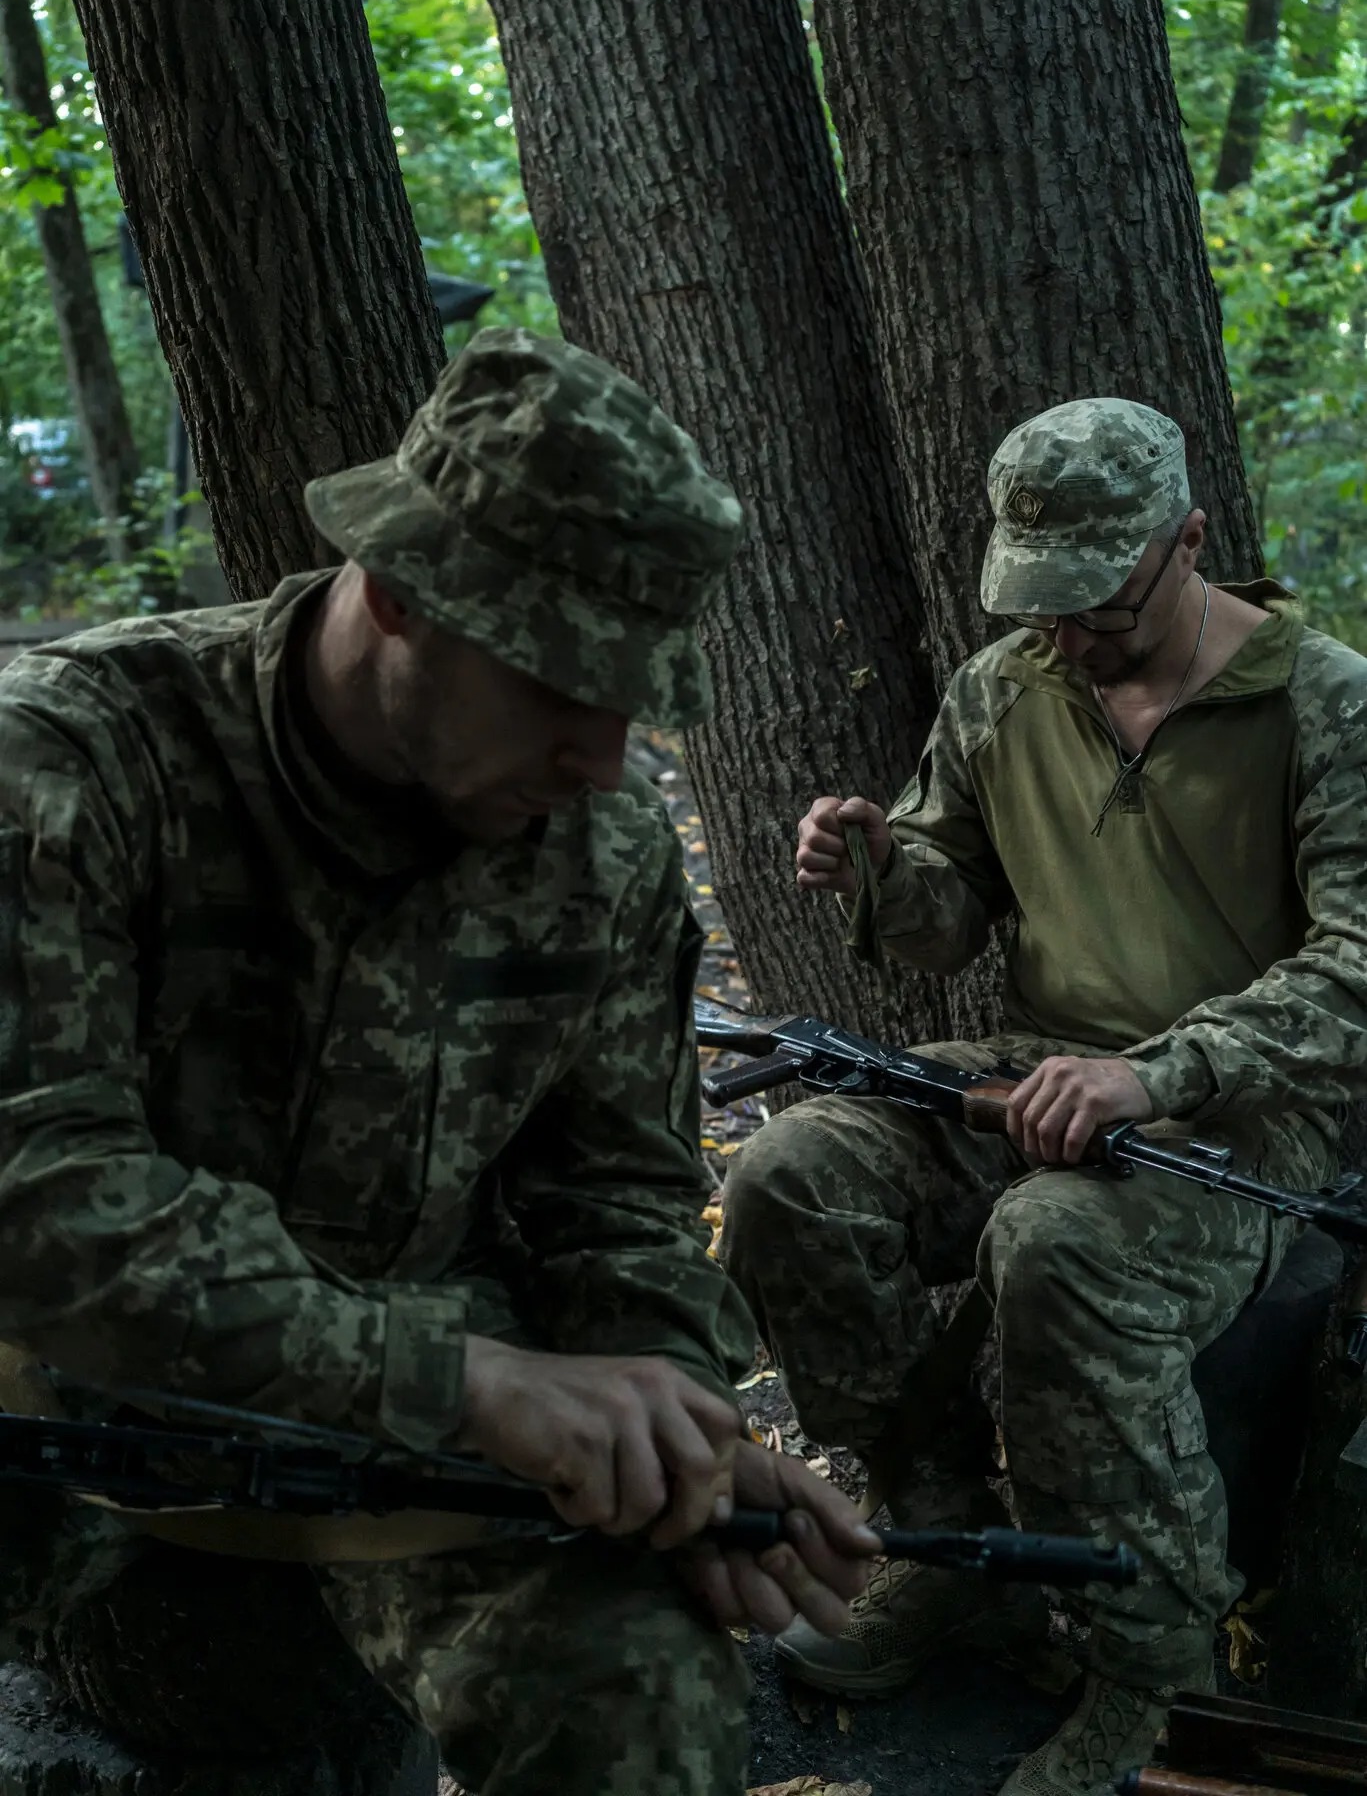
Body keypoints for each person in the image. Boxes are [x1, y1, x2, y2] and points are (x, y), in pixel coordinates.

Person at [0, 329, 874, 1796]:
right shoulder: (75, 764)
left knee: (647, 1706)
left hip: (430, 1487)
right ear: (399, 593)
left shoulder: (596, 855)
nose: (604, 760)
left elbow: (618, 1200)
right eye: (561, 689)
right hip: (92, 1458)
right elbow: (38, 1198)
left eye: (634, 702)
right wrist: (470, 1383)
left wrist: (673, 1424)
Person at [720, 397, 1367, 1796]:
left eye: (1099, 609)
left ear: (1188, 545)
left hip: (1246, 1118)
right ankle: (950, 1540)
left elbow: (1361, 970)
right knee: (790, 1179)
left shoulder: (1325, 703)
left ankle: (1152, 1664)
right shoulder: (1005, 689)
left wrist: (1164, 1070)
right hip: (1031, 1070)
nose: (1068, 638)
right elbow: (948, 917)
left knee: (1057, 1244)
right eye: (1042, 607)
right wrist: (881, 866)